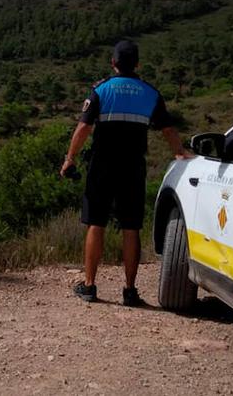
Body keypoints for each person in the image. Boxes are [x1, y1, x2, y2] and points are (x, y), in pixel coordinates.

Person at [59, 40, 192, 305]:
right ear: (138, 64)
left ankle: (90, 287)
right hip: (133, 167)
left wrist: (70, 158)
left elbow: (84, 128)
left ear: (113, 63)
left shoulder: (101, 90)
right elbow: (167, 129)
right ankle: (130, 291)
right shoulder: (150, 93)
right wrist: (179, 153)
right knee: (131, 227)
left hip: (102, 165)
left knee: (96, 222)